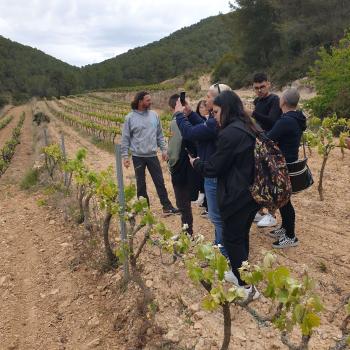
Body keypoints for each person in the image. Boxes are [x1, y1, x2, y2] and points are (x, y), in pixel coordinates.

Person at [184, 90, 260, 299]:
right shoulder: (249, 126)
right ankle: (241, 276)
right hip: (251, 192)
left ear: (225, 110)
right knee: (241, 236)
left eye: (216, 112)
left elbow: (214, 168)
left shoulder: (229, 133)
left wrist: (196, 163)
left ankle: (247, 289)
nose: (214, 116)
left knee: (232, 239)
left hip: (236, 195)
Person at [176, 84, 232, 258]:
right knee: (219, 218)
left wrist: (179, 114)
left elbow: (190, 132)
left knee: (217, 218)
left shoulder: (216, 122)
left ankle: (223, 254)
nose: (206, 99)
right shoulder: (222, 119)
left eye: (208, 96)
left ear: (217, 99)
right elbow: (203, 125)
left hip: (214, 176)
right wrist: (191, 113)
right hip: (219, 174)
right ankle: (218, 247)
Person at [121, 91, 178, 215]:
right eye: (147, 100)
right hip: (137, 156)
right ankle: (144, 209)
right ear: (140, 101)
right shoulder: (130, 118)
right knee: (141, 184)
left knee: (160, 181)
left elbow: (159, 135)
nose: (150, 102)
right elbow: (125, 138)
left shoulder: (154, 115)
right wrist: (125, 156)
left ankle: (167, 207)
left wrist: (164, 150)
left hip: (152, 155)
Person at [267, 88, 306, 248]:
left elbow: (268, 138)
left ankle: (291, 237)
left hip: (283, 165)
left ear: (282, 101)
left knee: (284, 201)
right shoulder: (296, 118)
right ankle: (285, 228)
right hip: (289, 162)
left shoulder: (286, 120)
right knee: (282, 200)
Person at [245, 73, 282, 228]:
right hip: (259, 143)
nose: (259, 90)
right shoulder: (257, 101)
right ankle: (260, 211)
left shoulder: (274, 100)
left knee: (270, 179)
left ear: (269, 84)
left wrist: (252, 113)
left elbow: (272, 121)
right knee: (259, 178)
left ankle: (272, 214)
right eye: (256, 88)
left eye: (262, 87)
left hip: (270, 145)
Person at [167, 94, 200, 235]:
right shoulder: (192, 121)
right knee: (186, 200)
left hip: (180, 167)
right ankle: (187, 231)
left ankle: (187, 233)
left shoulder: (176, 122)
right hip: (192, 165)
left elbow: (173, 150)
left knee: (182, 202)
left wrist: (170, 165)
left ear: (173, 108)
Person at [194, 100, 209, 215]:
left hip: (206, 154)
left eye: (204, 107)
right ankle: (203, 198)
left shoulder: (209, 122)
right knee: (200, 176)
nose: (202, 109)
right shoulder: (198, 121)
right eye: (200, 108)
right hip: (199, 151)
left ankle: (207, 204)